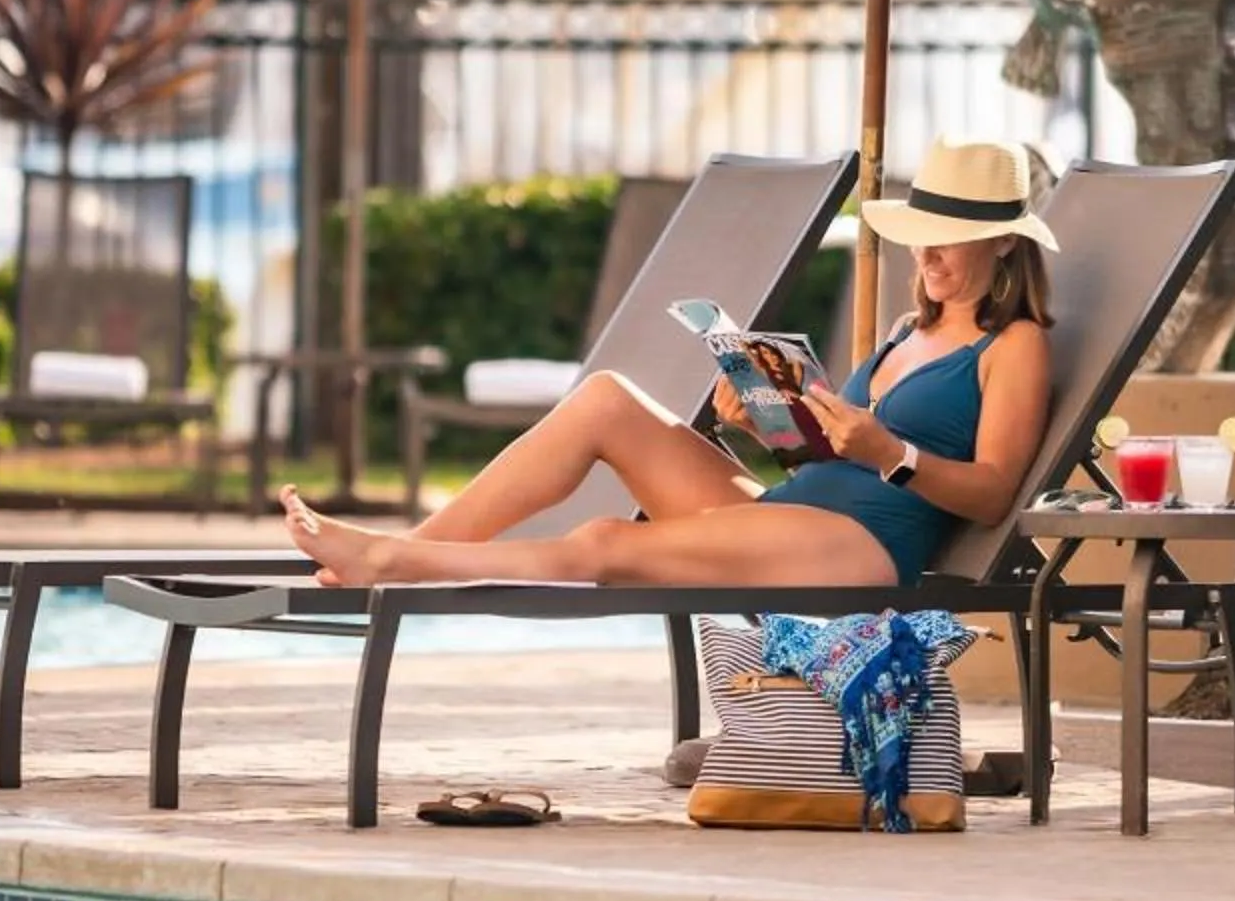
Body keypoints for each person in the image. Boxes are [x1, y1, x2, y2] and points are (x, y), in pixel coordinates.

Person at [280, 139, 1058, 590]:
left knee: (609, 542)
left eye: (946, 237)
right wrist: (765, 421)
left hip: (860, 544)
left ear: (1003, 242)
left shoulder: (1014, 345)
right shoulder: (900, 330)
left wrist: (892, 454)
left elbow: (992, 496)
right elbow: (831, 452)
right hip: (792, 506)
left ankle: (397, 563)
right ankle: (413, 548)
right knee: (606, 401)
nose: (926, 253)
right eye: (920, 232)